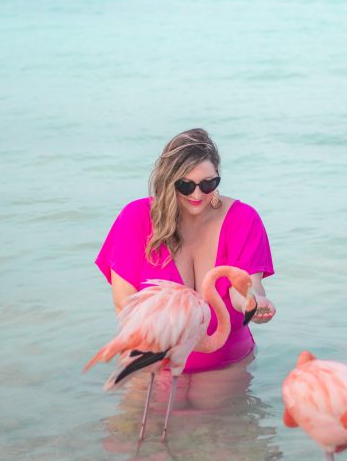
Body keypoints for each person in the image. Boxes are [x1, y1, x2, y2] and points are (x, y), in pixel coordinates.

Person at [95, 128, 275, 375]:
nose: (198, 194)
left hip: (226, 366)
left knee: (223, 413)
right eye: (186, 185)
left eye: (208, 183)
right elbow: (124, 305)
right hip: (152, 368)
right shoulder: (135, 219)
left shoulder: (243, 220)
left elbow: (243, 286)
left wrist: (254, 303)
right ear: (169, 181)